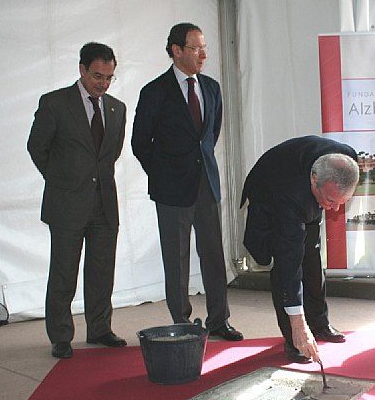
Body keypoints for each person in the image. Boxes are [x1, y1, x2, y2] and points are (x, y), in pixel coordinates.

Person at [132, 23, 243, 341]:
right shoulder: (154, 91)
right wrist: (163, 173)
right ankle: (181, 321)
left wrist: (199, 163)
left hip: (206, 183)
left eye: (204, 47)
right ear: (176, 50)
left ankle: (219, 320)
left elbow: (209, 135)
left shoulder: (211, 87)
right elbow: (141, 142)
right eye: (196, 48)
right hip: (171, 189)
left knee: (214, 255)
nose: (203, 54)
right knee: (176, 259)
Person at [27, 42, 127, 359]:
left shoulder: (116, 108)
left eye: (109, 77)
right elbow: (36, 148)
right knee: (64, 273)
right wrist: (62, 180)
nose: (103, 83)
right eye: (98, 76)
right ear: (82, 70)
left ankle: (99, 329)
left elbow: (110, 155)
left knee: (101, 271)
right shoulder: (55, 103)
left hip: (104, 205)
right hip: (67, 204)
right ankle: (60, 336)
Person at [241, 135, 360, 363]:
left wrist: (325, 200)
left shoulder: (348, 161)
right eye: (330, 200)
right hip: (269, 191)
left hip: (302, 188)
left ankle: (319, 322)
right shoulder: (290, 194)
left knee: (313, 259)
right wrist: (298, 323)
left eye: (340, 203)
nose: (334, 209)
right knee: (285, 262)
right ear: (314, 180)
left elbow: (326, 199)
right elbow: (290, 263)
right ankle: (294, 338)